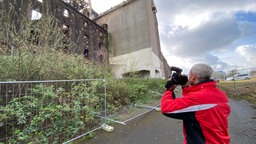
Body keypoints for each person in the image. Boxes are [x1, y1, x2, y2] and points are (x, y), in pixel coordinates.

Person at [161, 63, 230, 144]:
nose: (188, 77)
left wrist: (170, 88)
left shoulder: (197, 99)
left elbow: (166, 108)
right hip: (221, 140)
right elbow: (194, 105)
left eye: (189, 75)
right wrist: (185, 86)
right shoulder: (221, 94)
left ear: (193, 77)